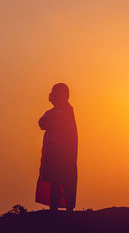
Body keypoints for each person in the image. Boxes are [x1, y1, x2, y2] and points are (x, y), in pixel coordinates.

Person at [35, 83, 78, 212]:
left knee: (64, 183)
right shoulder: (56, 112)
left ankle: (66, 210)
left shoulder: (65, 112)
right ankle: (55, 209)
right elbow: (41, 123)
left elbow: (44, 122)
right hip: (55, 156)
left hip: (64, 156)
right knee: (56, 183)